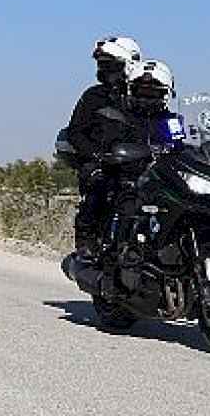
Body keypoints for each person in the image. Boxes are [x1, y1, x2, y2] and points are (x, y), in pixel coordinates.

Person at [66, 36, 142, 260]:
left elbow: (167, 126)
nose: (104, 70)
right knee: (99, 184)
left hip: (140, 165)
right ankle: (87, 240)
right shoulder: (94, 97)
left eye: (111, 65)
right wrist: (96, 157)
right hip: (103, 164)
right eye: (102, 65)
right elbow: (75, 133)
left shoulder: (148, 95)